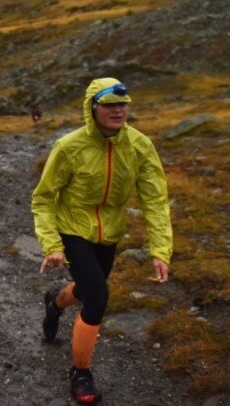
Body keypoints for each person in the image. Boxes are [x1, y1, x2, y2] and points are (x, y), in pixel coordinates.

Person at [31, 77, 172, 404]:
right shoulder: (69, 147)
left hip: (109, 233)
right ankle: (80, 371)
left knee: (85, 291)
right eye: (109, 104)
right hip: (73, 229)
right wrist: (52, 245)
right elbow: (43, 199)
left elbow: (155, 199)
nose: (118, 110)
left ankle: (55, 302)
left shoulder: (139, 145)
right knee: (98, 296)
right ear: (93, 108)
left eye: (123, 104)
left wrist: (160, 249)